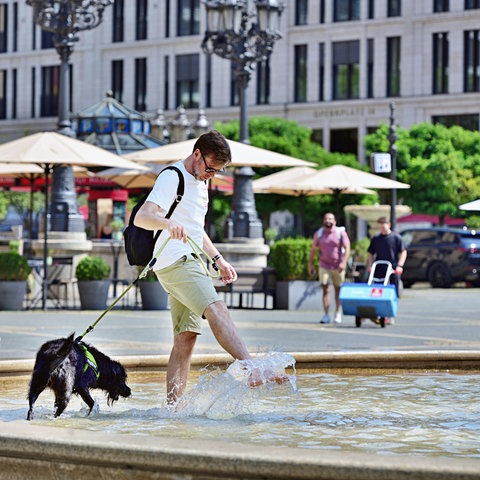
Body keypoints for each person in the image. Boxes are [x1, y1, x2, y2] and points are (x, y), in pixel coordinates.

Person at [134, 130, 287, 405]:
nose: (212, 175)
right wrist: (167, 223)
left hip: (190, 259)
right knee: (216, 307)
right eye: (210, 168)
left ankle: (172, 410)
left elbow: (196, 229)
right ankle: (250, 365)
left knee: (186, 338)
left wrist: (218, 259)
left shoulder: (201, 183)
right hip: (174, 259)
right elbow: (143, 217)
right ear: (197, 155)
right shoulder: (172, 176)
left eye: (218, 171)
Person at [308, 212, 351, 324]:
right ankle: (326, 314)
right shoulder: (319, 234)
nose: (328, 221)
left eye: (330, 219)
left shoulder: (340, 233)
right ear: (323, 221)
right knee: (326, 289)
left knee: (338, 289)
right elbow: (313, 250)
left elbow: (347, 248)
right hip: (324, 265)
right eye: (326, 218)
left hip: (338, 266)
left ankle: (337, 312)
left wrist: (343, 262)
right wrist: (310, 264)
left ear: (335, 221)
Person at [367, 216, 407, 301]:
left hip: (393, 266)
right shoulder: (376, 238)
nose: (382, 229)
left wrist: (400, 265)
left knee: (394, 289)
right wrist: (371, 265)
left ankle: (393, 303)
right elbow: (370, 252)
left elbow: (403, 251)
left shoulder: (396, 237)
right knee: (377, 289)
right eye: (380, 227)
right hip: (379, 266)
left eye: (383, 226)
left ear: (389, 225)